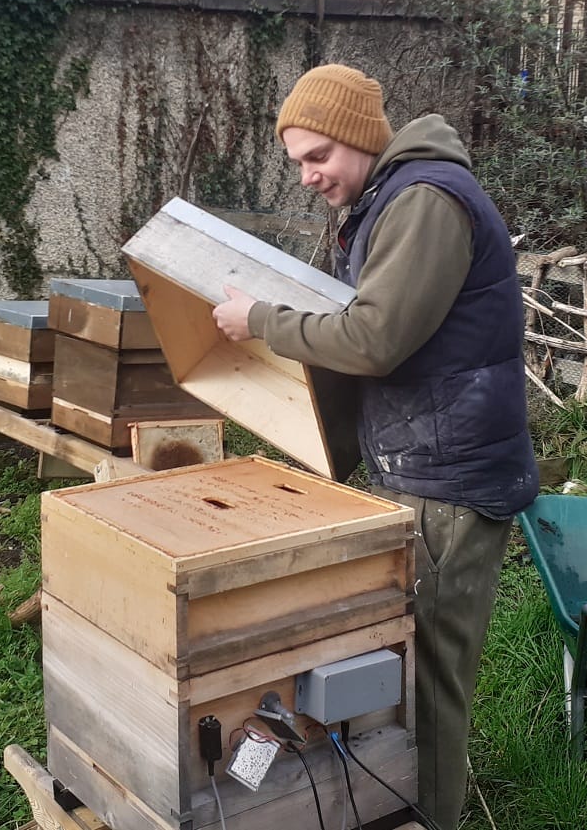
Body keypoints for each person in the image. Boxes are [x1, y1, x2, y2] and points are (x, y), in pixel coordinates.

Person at [212, 63, 538, 830]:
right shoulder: (385, 200)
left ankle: (432, 817)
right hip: (417, 466)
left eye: (318, 155)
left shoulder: (424, 202)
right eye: (298, 161)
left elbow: (375, 337)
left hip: (448, 483)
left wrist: (262, 321)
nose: (307, 175)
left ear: (360, 137)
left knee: (428, 681)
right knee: (398, 667)